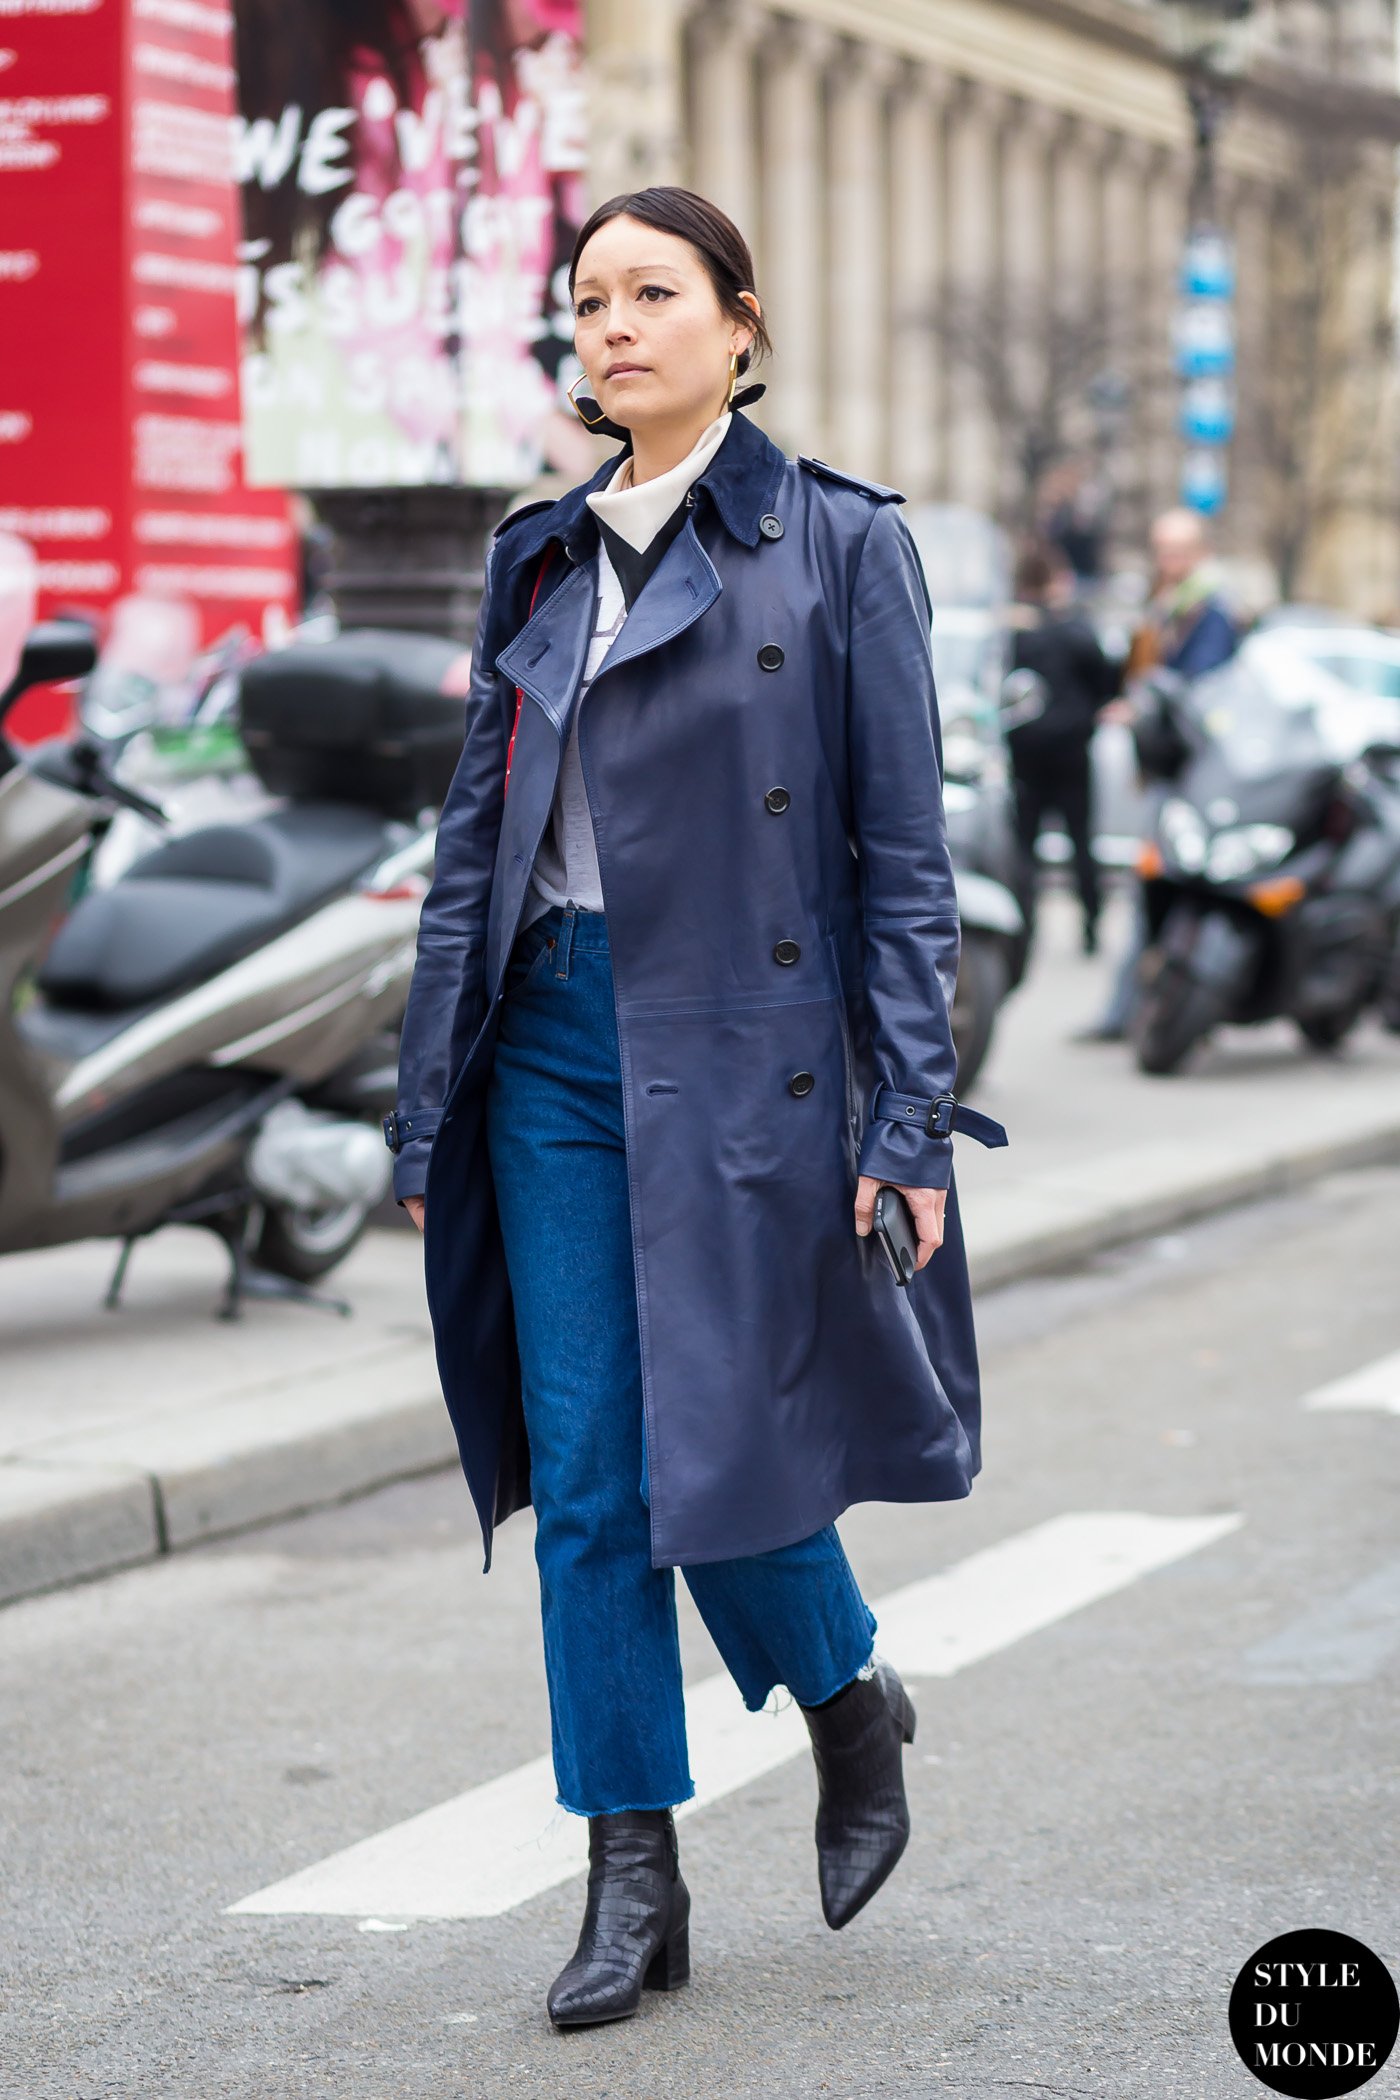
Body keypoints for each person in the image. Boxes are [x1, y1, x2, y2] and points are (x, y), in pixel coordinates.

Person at [387, 185, 1007, 2029]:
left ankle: (845, 1699)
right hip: (554, 1050)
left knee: (717, 1452)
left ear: (742, 323)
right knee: (589, 1478)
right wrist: (428, 1109)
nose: (614, 328)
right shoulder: (541, 559)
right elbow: (473, 852)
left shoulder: (836, 546)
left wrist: (909, 1122)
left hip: (748, 1052)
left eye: (654, 294)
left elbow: (907, 862)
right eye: (588, 303)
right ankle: (631, 1876)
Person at [1078, 507, 1240, 1040]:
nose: (1168, 560)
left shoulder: (1207, 610)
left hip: (1188, 778)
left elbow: (1194, 691)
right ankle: (1138, 1009)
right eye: (1162, 549)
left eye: (1178, 550)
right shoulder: (1167, 605)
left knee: (1158, 886)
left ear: (1199, 552)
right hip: (1167, 772)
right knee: (1153, 888)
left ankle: (1136, 1011)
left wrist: (1146, 703)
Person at [1005, 540, 1119, 955]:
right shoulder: (1076, 630)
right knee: (1080, 843)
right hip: (1071, 752)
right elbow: (1107, 680)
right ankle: (1091, 926)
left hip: (1026, 756)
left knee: (1024, 849)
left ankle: (1024, 929)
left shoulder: (1013, 634)